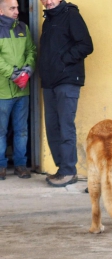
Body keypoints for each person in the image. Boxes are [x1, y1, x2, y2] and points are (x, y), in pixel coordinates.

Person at [38, 0, 93, 187]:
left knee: (65, 126)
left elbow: (86, 45)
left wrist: (63, 61)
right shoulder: (49, 19)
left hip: (67, 81)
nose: (48, 1)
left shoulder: (71, 15)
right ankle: (62, 169)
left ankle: (69, 171)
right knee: (52, 126)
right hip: (49, 82)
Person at [0, 0, 36, 181]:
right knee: (1, 130)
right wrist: (13, 74)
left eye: (16, 8)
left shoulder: (23, 27)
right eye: (11, 8)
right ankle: (1, 165)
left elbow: (31, 50)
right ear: (1, 10)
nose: (16, 11)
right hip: (2, 91)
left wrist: (28, 69)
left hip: (22, 90)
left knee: (22, 129)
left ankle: (21, 164)